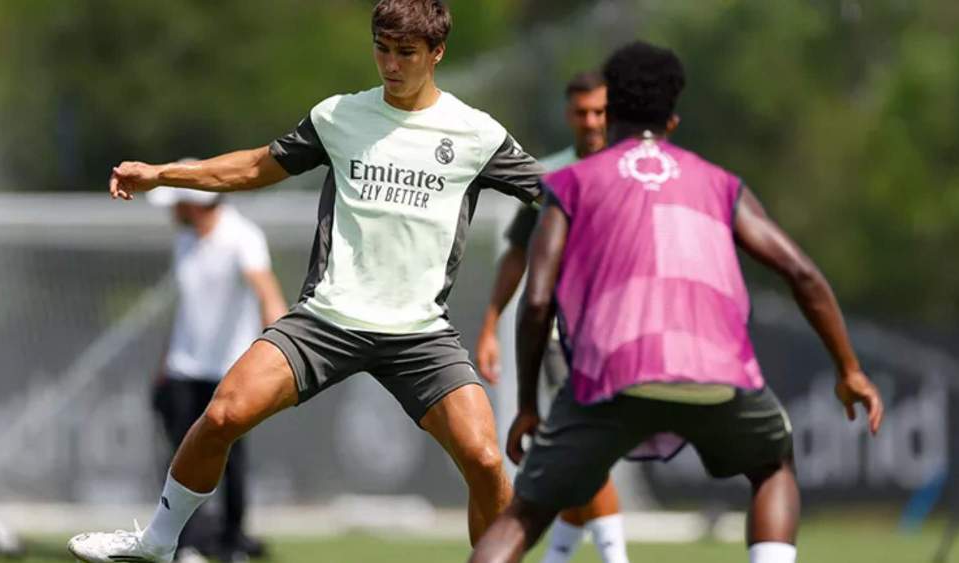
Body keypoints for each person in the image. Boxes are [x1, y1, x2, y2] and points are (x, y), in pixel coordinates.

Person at [67, 1, 545, 562]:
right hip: (326, 320)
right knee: (222, 414)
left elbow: (560, 196)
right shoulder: (339, 116)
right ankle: (155, 543)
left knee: (485, 459)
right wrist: (161, 174)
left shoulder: (476, 134)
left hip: (421, 335)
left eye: (406, 53)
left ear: (437, 53)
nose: (391, 65)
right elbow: (254, 166)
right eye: (382, 49)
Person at [469, 41, 885, 563]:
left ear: (610, 114)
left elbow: (536, 302)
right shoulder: (719, 184)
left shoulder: (571, 184)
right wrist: (849, 370)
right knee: (772, 465)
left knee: (525, 515)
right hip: (717, 373)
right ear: (673, 120)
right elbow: (801, 272)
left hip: (611, 376)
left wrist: (528, 405)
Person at [474, 71, 627, 563]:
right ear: (569, 114)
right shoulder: (550, 178)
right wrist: (490, 324)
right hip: (566, 335)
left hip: (625, 334)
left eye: (600, 112)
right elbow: (518, 254)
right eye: (583, 112)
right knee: (583, 446)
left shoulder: (631, 171)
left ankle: (558, 555)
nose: (592, 121)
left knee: (578, 452)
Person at [147, 183, 287, 562]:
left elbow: (268, 296)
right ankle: (184, 543)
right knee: (180, 457)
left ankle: (231, 540)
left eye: (178, 203)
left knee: (231, 460)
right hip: (183, 368)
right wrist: (164, 366)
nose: (173, 211)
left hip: (227, 370)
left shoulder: (242, 236)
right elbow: (186, 311)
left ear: (196, 204)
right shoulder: (185, 240)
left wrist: (279, 358)